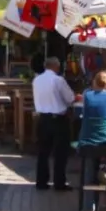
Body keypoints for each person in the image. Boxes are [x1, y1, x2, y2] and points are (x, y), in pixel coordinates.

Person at [76, 71, 106, 207]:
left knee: (89, 165)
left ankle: (88, 206)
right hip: (104, 137)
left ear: (94, 82)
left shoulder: (87, 95)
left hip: (85, 140)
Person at [32, 56, 77, 190]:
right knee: (60, 153)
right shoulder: (58, 80)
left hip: (42, 119)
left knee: (43, 152)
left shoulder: (37, 80)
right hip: (58, 119)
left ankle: (41, 181)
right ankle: (59, 182)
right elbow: (70, 98)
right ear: (56, 66)